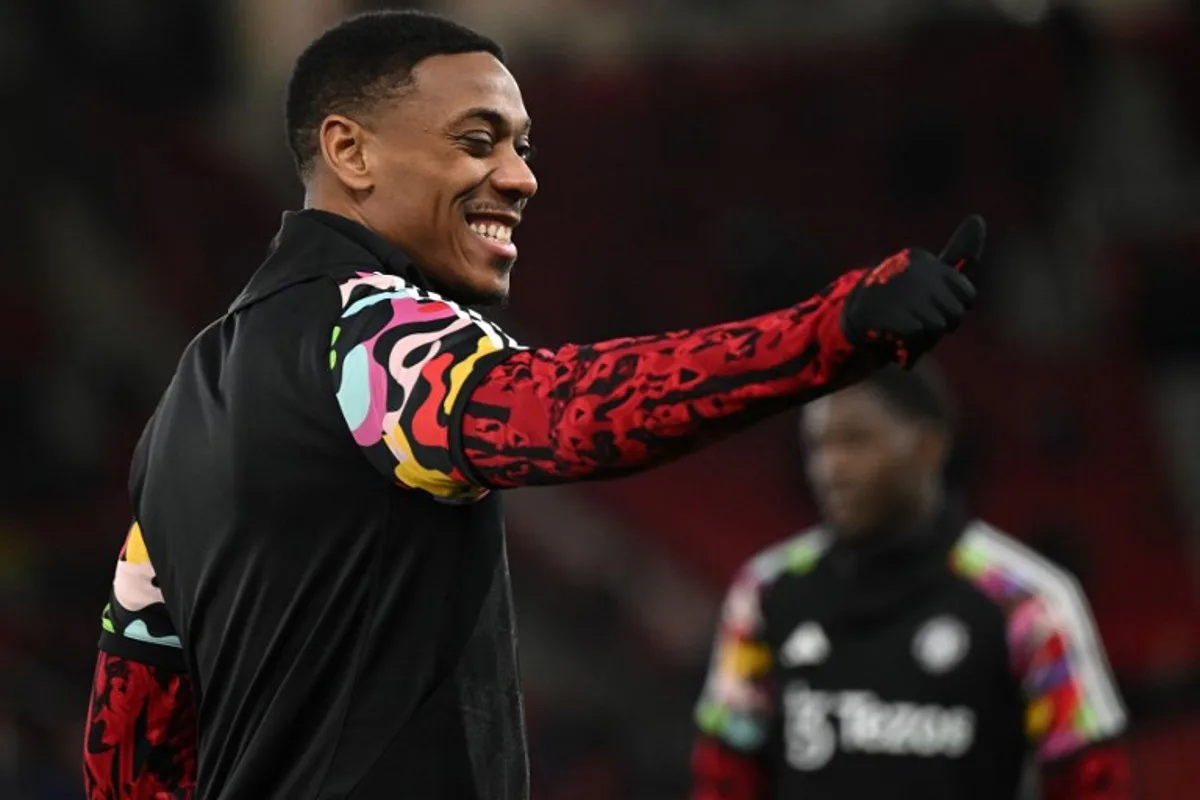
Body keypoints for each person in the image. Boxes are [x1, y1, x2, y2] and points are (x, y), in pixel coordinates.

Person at [81, 10, 985, 800]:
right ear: (349, 150)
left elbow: (126, 752)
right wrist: (835, 332)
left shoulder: (181, 410)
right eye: (479, 141)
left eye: (522, 146)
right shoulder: (370, 334)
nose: (521, 178)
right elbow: (571, 414)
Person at [691, 364, 1131, 800]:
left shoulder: (1024, 600)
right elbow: (725, 773)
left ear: (929, 446)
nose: (831, 469)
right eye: (817, 446)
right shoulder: (767, 593)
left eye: (856, 441)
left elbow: (1091, 778)